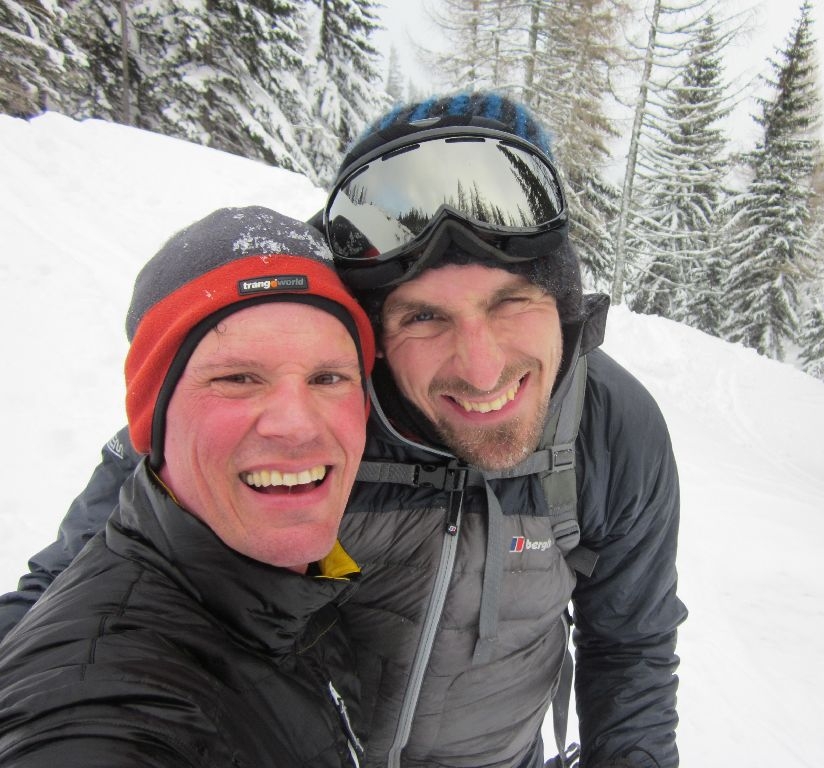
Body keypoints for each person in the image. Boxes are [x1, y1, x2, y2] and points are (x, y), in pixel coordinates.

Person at [0, 93, 688, 768]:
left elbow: (631, 645)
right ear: (377, 336)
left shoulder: (609, 429)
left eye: (512, 301)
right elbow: (73, 600)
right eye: (424, 317)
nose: (482, 371)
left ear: (562, 304)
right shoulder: (309, 412)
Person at [0, 206, 377, 767]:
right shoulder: (96, 699)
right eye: (237, 378)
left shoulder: (298, 591)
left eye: (328, 377)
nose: (298, 425)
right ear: (153, 423)